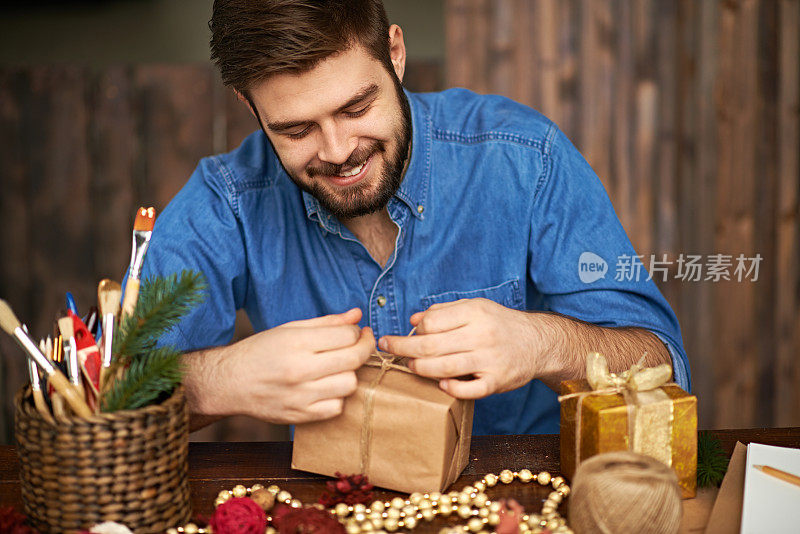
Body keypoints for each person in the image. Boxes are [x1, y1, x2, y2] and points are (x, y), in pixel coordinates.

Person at [142, 0, 690, 435]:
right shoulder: (228, 200)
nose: (337, 152)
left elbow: (663, 364)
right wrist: (216, 384)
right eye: (296, 130)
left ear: (395, 54)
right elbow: (101, 397)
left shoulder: (524, 157)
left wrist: (538, 344)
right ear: (249, 106)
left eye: (356, 109)